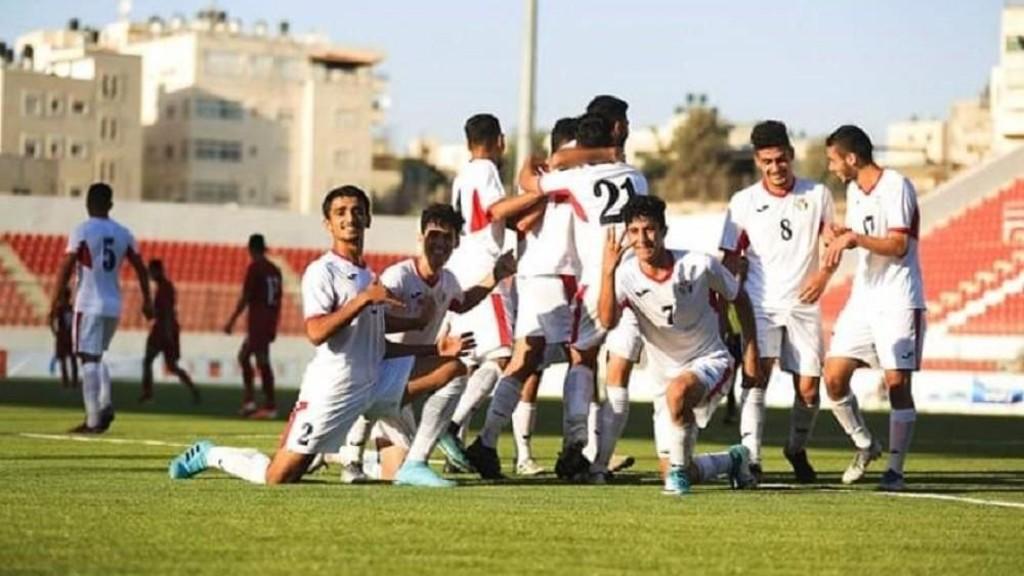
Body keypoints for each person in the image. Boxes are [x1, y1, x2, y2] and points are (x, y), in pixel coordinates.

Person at [168, 186, 471, 485]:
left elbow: (376, 342)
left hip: (377, 381)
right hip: (337, 387)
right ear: (328, 224)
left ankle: (413, 464)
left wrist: (434, 348)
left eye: (357, 211)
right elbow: (315, 332)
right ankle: (210, 454)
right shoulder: (323, 271)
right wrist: (363, 300)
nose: (350, 218)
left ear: (368, 219)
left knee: (454, 368)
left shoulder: (368, 276)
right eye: (341, 212)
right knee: (278, 477)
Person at [335, 203, 516, 487]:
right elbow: (373, 324)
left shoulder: (448, 280)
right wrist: (418, 323)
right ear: (420, 238)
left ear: (456, 243)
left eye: (447, 237)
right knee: (453, 371)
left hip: (405, 377)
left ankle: (353, 456)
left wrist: (495, 275)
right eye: (434, 235)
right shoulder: (399, 277)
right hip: (378, 371)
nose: (440, 243)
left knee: (394, 473)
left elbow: (462, 302)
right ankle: (353, 459)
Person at [598, 194, 760, 495]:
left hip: (710, 360)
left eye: (649, 230)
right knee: (675, 467)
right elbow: (607, 320)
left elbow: (739, 297)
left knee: (679, 393)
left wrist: (751, 350)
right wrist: (607, 272)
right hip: (664, 378)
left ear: (663, 231)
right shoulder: (624, 275)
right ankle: (733, 460)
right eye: (634, 231)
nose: (642, 239)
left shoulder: (698, 264)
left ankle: (678, 477)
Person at [719, 120, 836, 483]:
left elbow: (831, 243)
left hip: (803, 304)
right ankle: (751, 459)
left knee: (809, 389)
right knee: (756, 376)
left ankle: (795, 449)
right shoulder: (743, 202)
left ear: (791, 154)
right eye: (767, 161)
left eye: (781, 159)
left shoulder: (818, 194)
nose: (775, 167)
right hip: (760, 303)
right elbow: (729, 260)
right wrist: (723, 309)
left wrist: (823, 277)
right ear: (758, 161)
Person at [432, 113, 546, 476]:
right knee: (501, 356)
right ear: (500, 141)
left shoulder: (463, 174)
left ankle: (453, 450)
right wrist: (539, 191)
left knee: (468, 363)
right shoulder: (485, 170)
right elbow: (496, 210)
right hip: (484, 272)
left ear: (468, 142)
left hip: (461, 268)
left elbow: (497, 217)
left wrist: (532, 206)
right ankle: (451, 425)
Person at [821, 125, 926, 492]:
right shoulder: (854, 191)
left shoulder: (896, 185)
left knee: (897, 384)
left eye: (833, 160)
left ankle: (895, 470)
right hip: (863, 298)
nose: (831, 167)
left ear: (851, 158)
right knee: (833, 377)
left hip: (898, 298)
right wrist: (841, 234)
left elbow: (898, 245)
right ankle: (865, 444)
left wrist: (855, 238)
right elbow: (861, 234)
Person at [49, 182, 153, 433]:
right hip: (113, 305)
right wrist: (147, 300)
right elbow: (141, 268)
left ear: (87, 203)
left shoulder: (83, 230)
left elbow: (67, 264)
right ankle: (105, 404)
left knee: (88, 359)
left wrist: (54, 301)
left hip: (88, 302)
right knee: (96, 356)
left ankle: (93, 420)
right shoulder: (123, 233)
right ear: (110, 204)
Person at [224, 233, 283, 419]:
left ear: (251, 249)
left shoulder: (255, 268)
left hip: (258, 321)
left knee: (261, 360)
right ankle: (250, 402)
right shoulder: (274, 270)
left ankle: (269, 405)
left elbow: (246, 297)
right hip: (268, 320)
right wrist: (273, 323)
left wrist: (231, 320)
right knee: (245, 357)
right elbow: (278, 299)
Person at [141, 259, 199, 404]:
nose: (150, 275)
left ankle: (148, 394)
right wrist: (150, 313)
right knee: (171, 366)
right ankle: (193, 389)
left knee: (149, 361)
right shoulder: (164, 287)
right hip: (168, 329)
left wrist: (167, 333)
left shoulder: (165, 288)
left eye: (151, 271)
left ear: (157, 271)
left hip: (163, 330)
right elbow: (162, 311)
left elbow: (166, 312)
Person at [51, 287, 77, 388]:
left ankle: (65, 382)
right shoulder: (73, 308)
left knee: (63, 360)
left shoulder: (59, 309)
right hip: (71, 336)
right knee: (72, 359)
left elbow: (53, 321)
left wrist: (55, 332)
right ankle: (74, 381)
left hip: (62, 337)